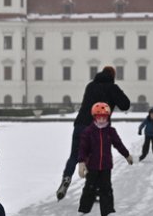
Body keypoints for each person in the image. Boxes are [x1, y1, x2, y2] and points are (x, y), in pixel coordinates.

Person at [56, 66, 130, 201]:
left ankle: (67, 177)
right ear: (112, 77)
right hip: (97, 128)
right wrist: (116, 94)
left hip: (80, 125)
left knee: (74, 156)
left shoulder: (90, 86)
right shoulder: (112, 88)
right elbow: (125, 104)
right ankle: (95, 190)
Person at [77, 102, 133, 216]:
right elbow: (83, 148)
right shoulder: (88, 131)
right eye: (99, 116)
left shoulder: (110, 131)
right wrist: (81, 163)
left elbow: (118, 144)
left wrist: (126, 154)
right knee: (89, 188)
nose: (101, 119)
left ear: (107, 117)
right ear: (94, 117)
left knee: (106, 189)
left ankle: (107, 212)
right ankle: (83, 210)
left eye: (104, 116)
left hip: (106, 165)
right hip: (92, 165)